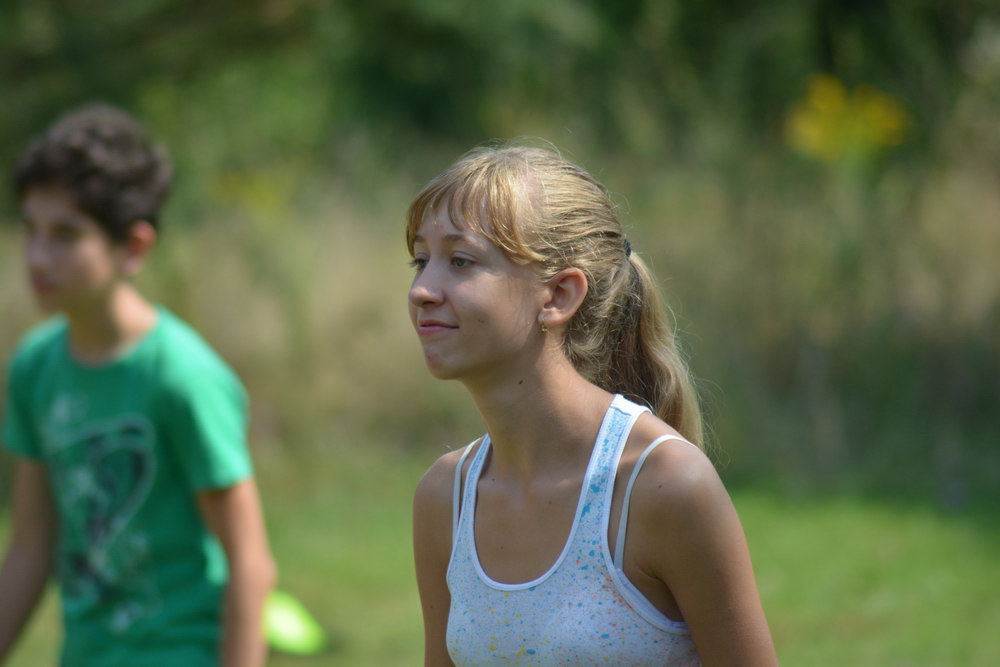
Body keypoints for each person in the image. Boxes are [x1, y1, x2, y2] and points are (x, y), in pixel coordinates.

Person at [409, 144, 778, 666]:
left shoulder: (664, 485)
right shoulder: (445, 498)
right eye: (421, 260)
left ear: (559, 295)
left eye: (461, 261)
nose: (422, 290)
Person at [0, 104, 276, 666]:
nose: (37, 257)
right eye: (30, 229)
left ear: (134, 247)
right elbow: (30, 547)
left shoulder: (182, 376)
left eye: (65, 234)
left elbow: (249, 563)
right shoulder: (34, 367)